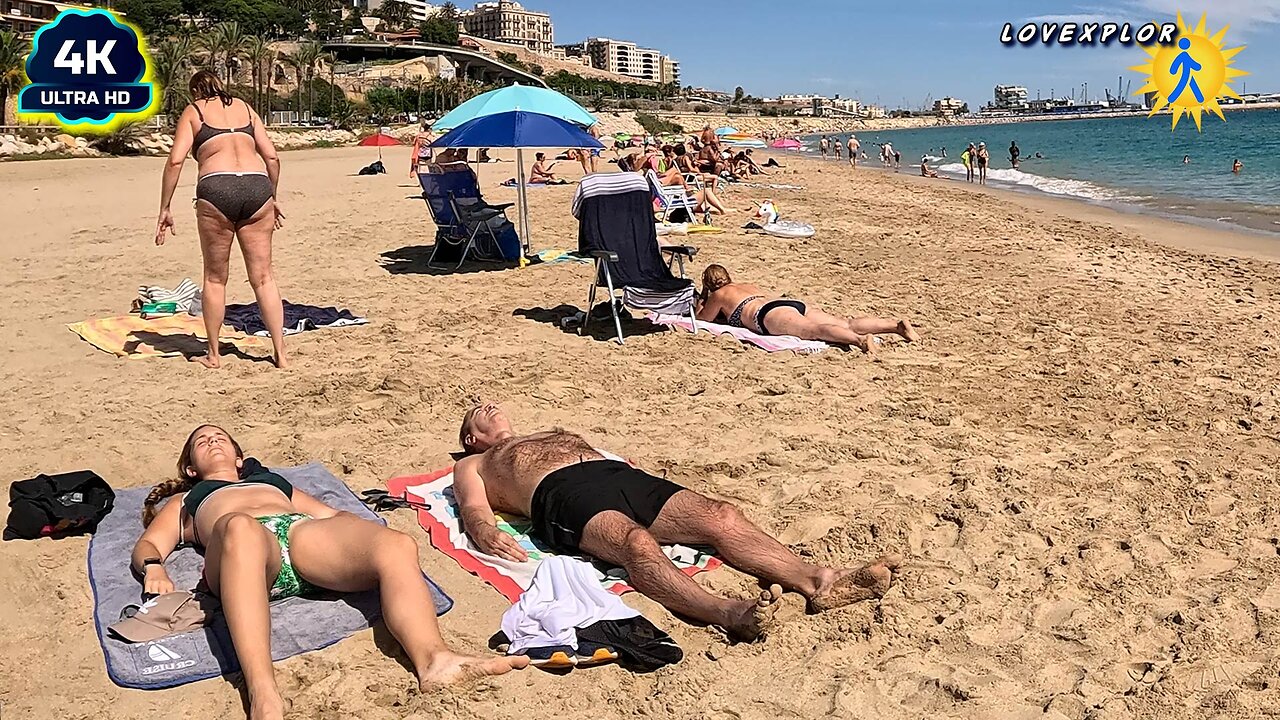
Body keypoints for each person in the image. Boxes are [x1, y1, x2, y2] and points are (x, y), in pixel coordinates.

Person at [133, 425, 526, 720]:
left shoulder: (272, 483)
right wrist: (153, 568)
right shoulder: (188, 501)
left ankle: (434, 661)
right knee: (239, 526)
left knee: (395, 544)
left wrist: (359, 539)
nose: (212, 440)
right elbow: (149, 545)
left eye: (220, 436)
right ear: (190, 468)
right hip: (243, 550)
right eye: (201, 441)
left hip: (300, 538)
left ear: (240, 457)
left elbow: (329, 515)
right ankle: (263, 692)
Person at [453, 405, 904, 642]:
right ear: (472, 438)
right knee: (636, 543)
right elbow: (474, 508)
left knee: (720, 515)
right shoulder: (476, 461)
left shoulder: (545, 432)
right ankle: (728, 613)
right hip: (562, 494)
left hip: (617, 475)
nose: (490, 406)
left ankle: (819, 580)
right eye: (479, 411)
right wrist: (484, 530)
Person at [156, 71, 287, 369]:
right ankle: (281, 353)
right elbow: (272, 157)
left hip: (217, 187)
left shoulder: (195, 111)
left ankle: (214, 355)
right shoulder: (246, 109)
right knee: (264, 277)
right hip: (257, 186)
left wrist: (165, 207)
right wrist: (272, 197)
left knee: (215, 278)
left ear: (195, 91)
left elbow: (176, 160)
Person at [697, 264, 919, 352]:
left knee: (815, 331)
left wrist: (703, 300)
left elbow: (703, 320)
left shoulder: (718, 295)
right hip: (784, 303)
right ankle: (895, 326)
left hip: (765, 315)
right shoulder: (746, 285)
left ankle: (860, 341)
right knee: (844, 322)